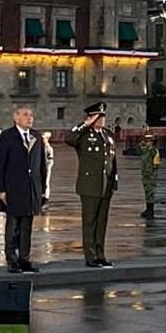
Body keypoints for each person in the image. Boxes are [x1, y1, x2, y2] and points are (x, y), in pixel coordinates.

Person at [0, 107, 47, 274]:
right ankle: (12, 260)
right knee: (13, 226)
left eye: (31, 115)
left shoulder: (36, 137)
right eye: (25, 115)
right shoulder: (6, 137)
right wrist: (0, 189)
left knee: (27, 226)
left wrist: (42, 189)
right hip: (13, 189)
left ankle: (25, 259)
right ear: (15, 118)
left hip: (31, 190)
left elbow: (41, 166)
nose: (29, 118)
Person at [65, 102, 117, 268]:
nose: (101, 120)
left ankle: (101, 254)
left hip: (105, 185)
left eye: (102, 117)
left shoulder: (108, 135)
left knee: (102, 222)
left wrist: (114, 179)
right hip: (89, 185)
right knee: (89, 222)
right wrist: (84, 125)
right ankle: (90, 256)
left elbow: (111, 161)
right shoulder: (83, 135)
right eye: (97, 117)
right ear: (90, 118)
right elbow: (69, 139)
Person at [139, 134, 161, 219]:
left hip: (151, 175)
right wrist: (141, 143)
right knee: (147, 192)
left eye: (148, 141)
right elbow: (139, 150)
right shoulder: (145, 150)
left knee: (151, 193)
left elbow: (157, 163)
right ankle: (148, 209)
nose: (147, 143)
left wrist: (152, 171)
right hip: (145, 174)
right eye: (146, 141)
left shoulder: (154, 151)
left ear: (152, 142)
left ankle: (151, 210)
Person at [42, 131, 54, 207]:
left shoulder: (49, 148)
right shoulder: (41, 147)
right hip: (42, 167)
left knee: (46, 183)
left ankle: (45, 199)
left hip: (46, 167)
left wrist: (47, 167)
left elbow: (50, 160)